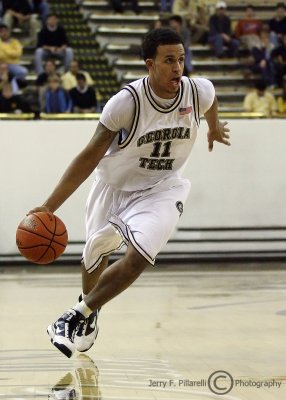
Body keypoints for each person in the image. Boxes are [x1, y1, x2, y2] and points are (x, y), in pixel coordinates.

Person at [28, 28, 230, 358]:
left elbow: (211, 103)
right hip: (114, 187)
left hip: (162, 188)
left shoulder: (198, 90)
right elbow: (90, 155)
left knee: (138, 256)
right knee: (94, 252)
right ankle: (90, 312)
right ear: (150, 65)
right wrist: (48, 207)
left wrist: (213, 127)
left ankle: (75, 315)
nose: (178, 67)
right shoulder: (126, 103)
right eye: (169, 61)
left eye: (181, 59)